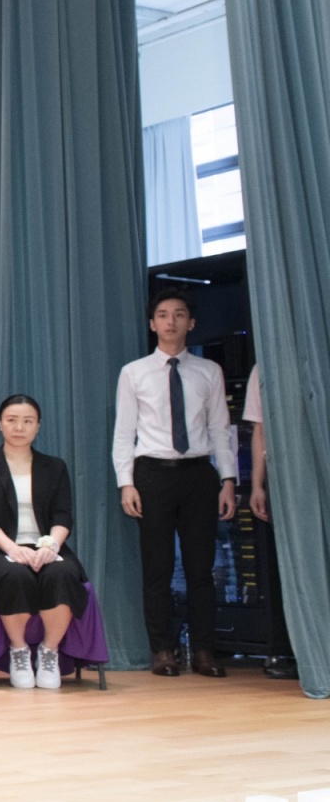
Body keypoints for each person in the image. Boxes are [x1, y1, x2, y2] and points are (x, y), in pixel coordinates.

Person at [112, 289, 236, 678]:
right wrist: (126, 483)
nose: (171, 321)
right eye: (163, 315)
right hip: (152, 474)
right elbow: (124, 432)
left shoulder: (209, 371)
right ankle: (162, 650)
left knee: (201, 568)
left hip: (198, 473)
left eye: (179, 314)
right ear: (152, 324)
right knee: (158, 567)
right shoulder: (134, 372)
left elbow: (220, 429)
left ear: (191, 323)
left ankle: (204, 650)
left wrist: (228, 479)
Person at [0, 395, 90, 689]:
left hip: (46, 547)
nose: (19, 427)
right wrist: (13, 549)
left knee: (63, 573)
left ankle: (49, 652)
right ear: (0, 424)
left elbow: (63, 515)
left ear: (38, 426)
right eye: (12, 420)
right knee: (14, 574)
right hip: (0, 549)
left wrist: (51, 546)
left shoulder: (54, 467)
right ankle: (19, 650)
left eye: (27, 421)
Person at [242, 363, 298, 679]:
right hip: (283, 475)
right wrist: (257, 484)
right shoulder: (263, 367)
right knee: (280, 566)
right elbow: (259, 429)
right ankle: (283, 650)